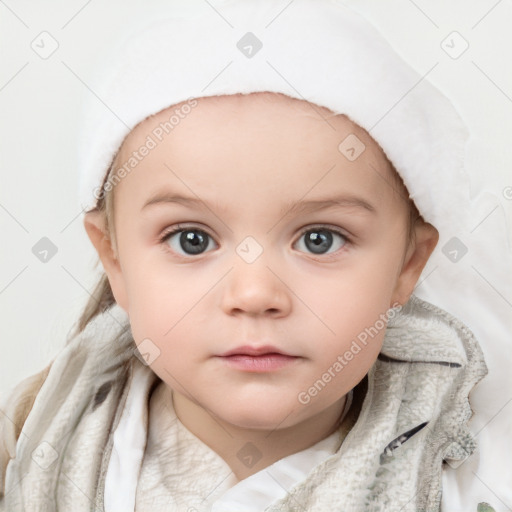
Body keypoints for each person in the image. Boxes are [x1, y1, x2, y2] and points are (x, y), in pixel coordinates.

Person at [0, 1, 493, 510]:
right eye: (191, 239)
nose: (255, 294)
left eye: (319, 239)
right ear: (115, 261)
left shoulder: (474, 477)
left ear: (407, 265)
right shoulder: (31, 445)